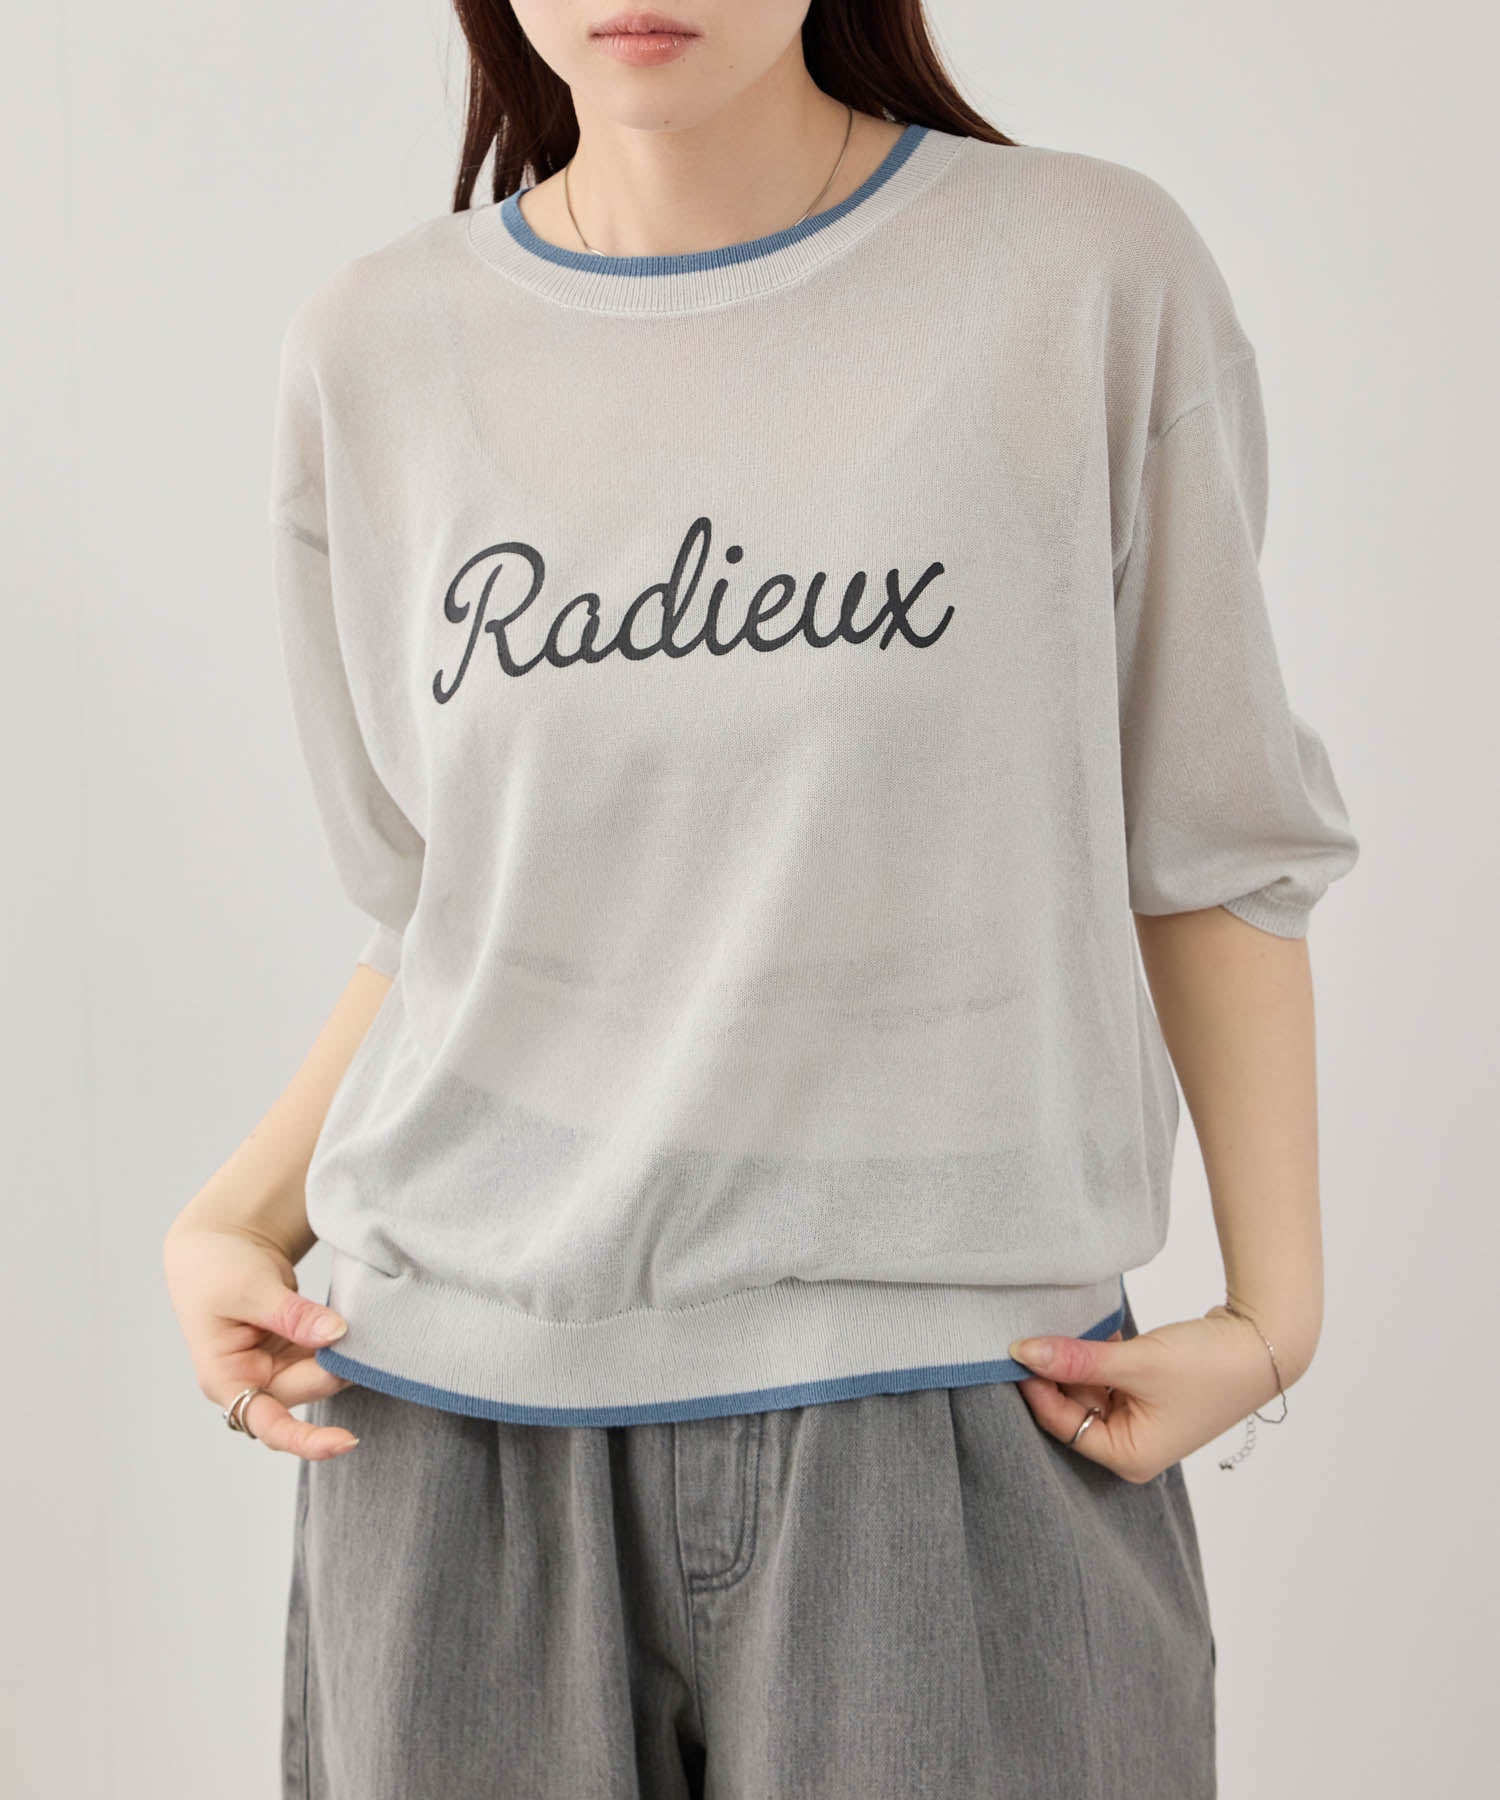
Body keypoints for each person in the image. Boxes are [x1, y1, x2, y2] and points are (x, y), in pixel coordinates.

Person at [162, 4, 1360, 1795]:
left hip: (955, 1420)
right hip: (446, 1437)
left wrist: (1276, 1312)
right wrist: (233, 1213)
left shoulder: (1084, 278)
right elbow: (442, 921)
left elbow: (1216, 840)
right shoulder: (373, 350)